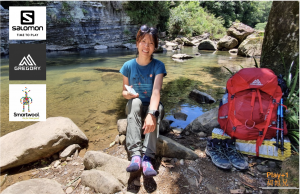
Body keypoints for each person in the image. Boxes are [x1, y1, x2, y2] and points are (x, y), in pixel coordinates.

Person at [119, 25, 167, 177]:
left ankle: (147, 157)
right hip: (136, 103)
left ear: (155, 47)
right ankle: (135, 155)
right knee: (134, 103)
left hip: (153, 104)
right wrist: (128, 94)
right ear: (137, 43)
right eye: (143, 41)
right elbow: (124, 91)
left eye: (151, 43)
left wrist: (152, 114)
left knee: (156, 108)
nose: (146, 46)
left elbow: (156, 91)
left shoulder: (158, 66)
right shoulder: (128, 66)